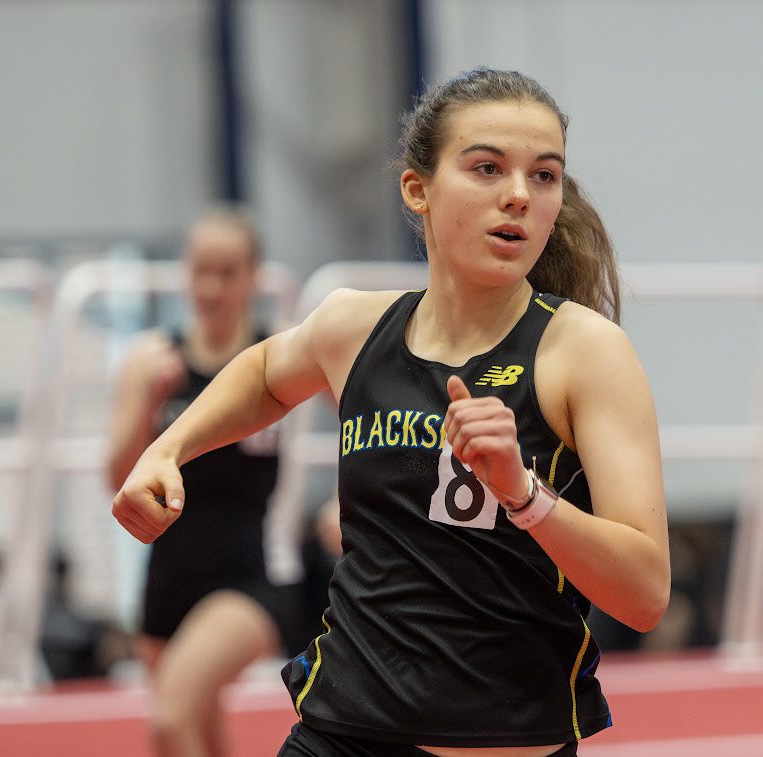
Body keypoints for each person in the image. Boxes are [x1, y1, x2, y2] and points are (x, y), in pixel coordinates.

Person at [112, 68, 671, 757]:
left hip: (500, 737)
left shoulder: (584, 353)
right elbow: (263, 373)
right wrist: (167, 448)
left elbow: (645, 591)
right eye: (488, 168)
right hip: (342, 729)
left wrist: (525, 496)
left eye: (545, 175)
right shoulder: (353, 324)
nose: (519, 195)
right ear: (418, 189)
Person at [106, 202, 300, 757]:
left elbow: (366, 415)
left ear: (254, 277)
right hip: (166, 581)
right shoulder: (151, 360)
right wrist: (149, 403)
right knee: (195, 735)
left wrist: (342, 504)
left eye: (228, 272)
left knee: (170, 717)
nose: (212, 287)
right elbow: (117, 480)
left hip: (246, 581)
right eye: (200, 271)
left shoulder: (278, 356)